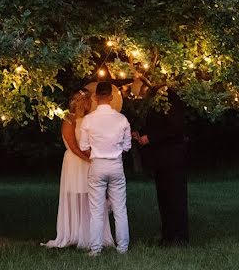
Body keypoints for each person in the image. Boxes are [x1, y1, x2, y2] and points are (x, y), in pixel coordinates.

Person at [43, 89, 115, 249]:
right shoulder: (69, 119)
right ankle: (74, 233)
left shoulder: (91, 119)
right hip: (75, 163)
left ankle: (93, 235)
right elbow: (73, 146)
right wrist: (89, 159)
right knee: (77, 195)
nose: (92, 104)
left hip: (91, 160)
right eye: (89, 101)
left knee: (93, 196)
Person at [79, 82, 132, 255]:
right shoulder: (121, 119)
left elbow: (83, 146)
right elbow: (127, 146)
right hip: (116, 164)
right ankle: (122, 248)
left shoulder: (88, 120)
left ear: (95, 97)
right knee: (119, 208)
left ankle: (95, 249)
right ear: (110, 97)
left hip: (97, 165)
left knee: (96, 210)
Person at [132, 88, 189, 246]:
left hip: (173, 156)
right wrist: (141, 135)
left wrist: (150, 138)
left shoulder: (171, 98)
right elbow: (157, 126)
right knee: (164, 197)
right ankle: (168, 235)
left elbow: (175, 127)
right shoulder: (155, 100)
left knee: (175, 197)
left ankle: (179, 237)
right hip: (160, 158)